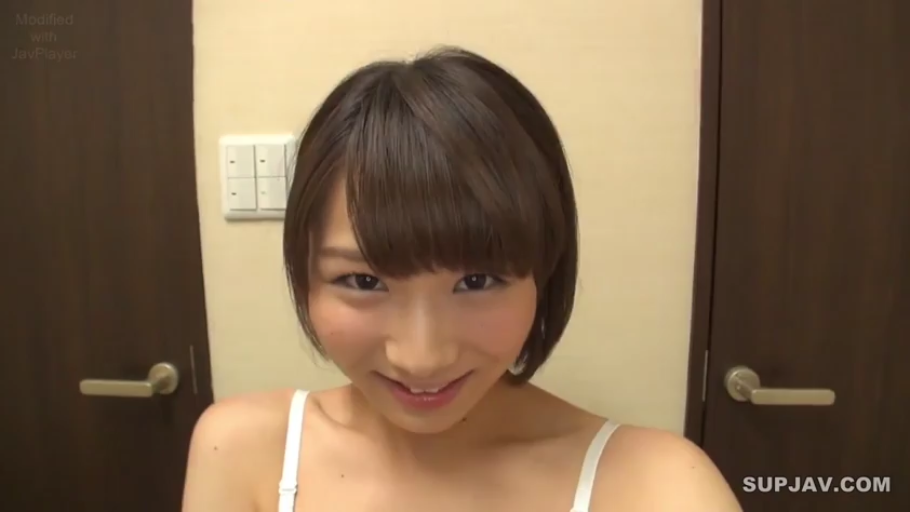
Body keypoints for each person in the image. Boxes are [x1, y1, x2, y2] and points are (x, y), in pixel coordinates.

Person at [181, 46, 742, 512]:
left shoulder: (658, 486)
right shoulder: (242, 452)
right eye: (363, 282)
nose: (421, 358)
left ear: (543, 270)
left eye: (477, 281)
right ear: (305, 275)